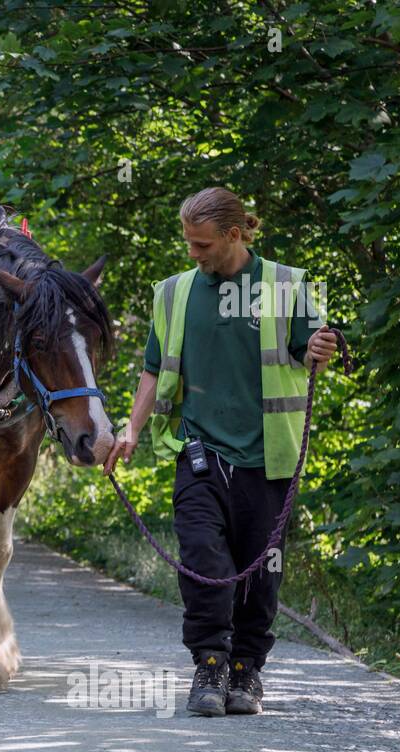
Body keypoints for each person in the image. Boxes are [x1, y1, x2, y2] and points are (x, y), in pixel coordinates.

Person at [104, 186, 339, 717]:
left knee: (262, 571)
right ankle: (209, 664)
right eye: (188, 243)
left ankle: (246, 670)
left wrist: (321, 349)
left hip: (268, 458)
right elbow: (152, 369)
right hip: (199, 452)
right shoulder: (174, 292)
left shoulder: (288, 285)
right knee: (202, 561)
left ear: (235, 235)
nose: (193, 254)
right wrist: (131, 429)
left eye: (202, 245)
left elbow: (311, 355)